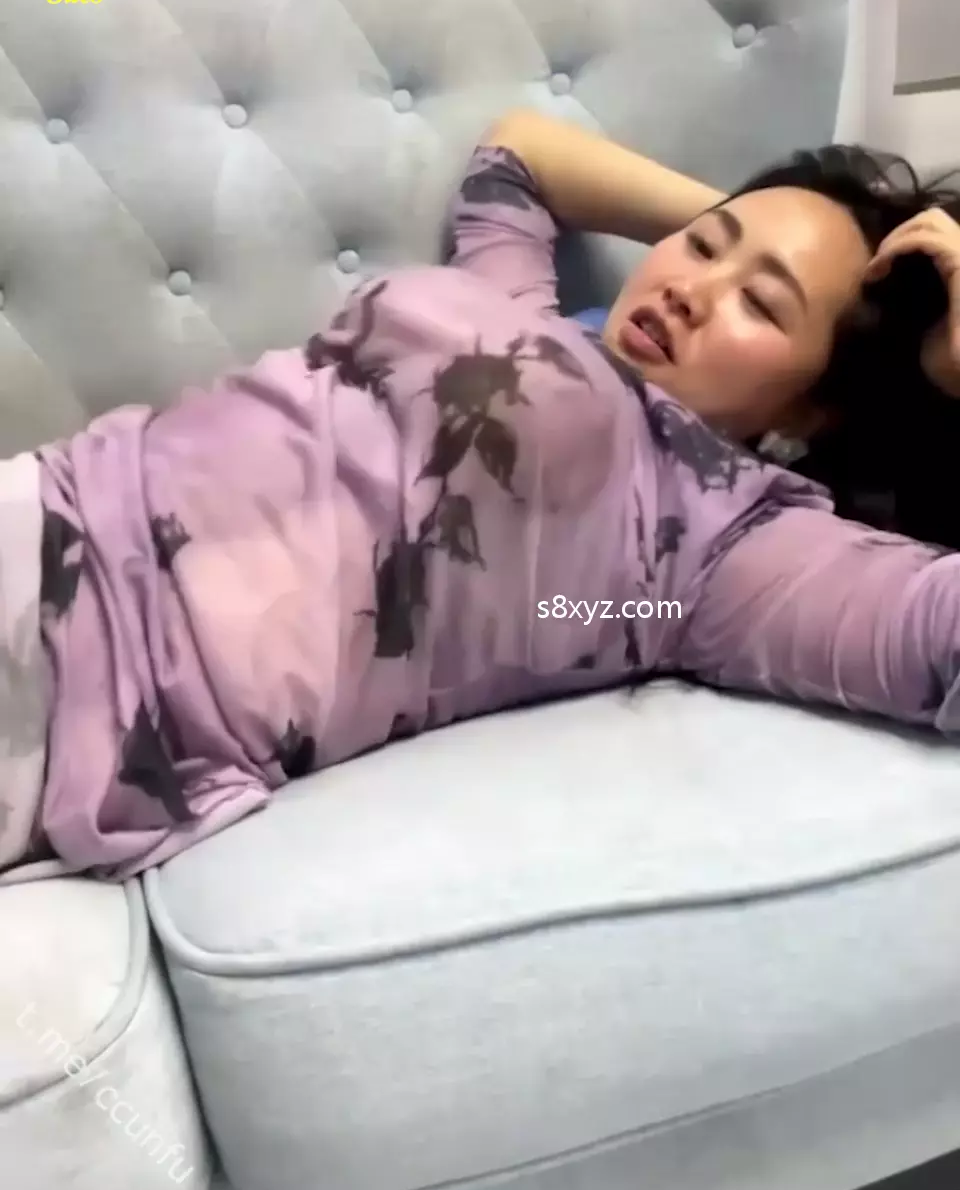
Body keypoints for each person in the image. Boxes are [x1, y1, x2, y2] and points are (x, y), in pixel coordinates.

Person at [3, 108, 960, 884]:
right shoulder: (529, 313)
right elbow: (521, 154)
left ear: (816, 410)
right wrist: (782, 226)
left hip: (93, 690)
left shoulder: (725, 552)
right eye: (700, 248)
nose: (691, 289)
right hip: (46, 502)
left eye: (761, 304)